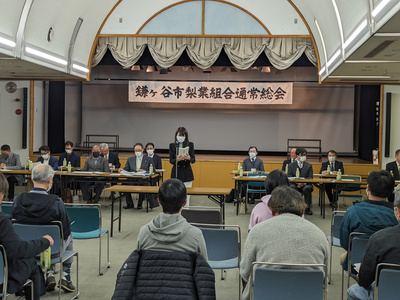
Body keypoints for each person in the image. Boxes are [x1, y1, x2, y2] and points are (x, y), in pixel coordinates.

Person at [240, 185, 329, 300]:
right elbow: (323, 279)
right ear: (302, 209)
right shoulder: (319, 235)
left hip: (266, 295)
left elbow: (244, 272)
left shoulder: (256, 232)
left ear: (272, 210)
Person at [12, 164, 75, 293]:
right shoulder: (56, 202)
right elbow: (65, 232)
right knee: (68, 234)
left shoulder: (18, 199)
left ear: (31, 177)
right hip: (53, 250)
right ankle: (65, 275)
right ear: (50, 180)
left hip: (25, 248)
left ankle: (50, 272)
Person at [0, 173, 54, 300]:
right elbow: (20, 250)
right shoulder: (2, 220)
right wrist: (44, 241)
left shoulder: (19, 200)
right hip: (3, 277)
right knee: (30, 261)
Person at [347, 187, 400, 300]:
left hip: (387, 293)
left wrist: (360, 277)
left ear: (397, 211)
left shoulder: (379, 239)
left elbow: (364, 281)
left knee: (353, 291)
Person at [339, 170, 397, 272]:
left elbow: (345, 243)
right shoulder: (396, 215)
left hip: (358, 262)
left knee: (343, 258)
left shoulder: (352, 211)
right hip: (390, 265)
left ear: (368, 188)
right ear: (391, 191)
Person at [136, 178, 208, 259]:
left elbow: (138, 267)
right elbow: (204, 269)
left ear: (159, 201)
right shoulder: (196, 236)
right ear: (184, 202)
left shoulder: (144, 233)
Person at [121, 143, 154, 209]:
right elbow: (126, 169)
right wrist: (122, 170)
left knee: (143, 185)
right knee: (125, 184)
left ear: (142, 150)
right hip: (132, 179)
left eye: (139, 150)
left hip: (143, 179)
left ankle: (140, 203)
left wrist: (145, 171)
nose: (137, 152)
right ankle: (129, 203)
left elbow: (153, 171)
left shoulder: (148, 159)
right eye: (136, 150)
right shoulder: (130, 159)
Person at [169, 127, 195, 205]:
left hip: (186, 173)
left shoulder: (190, 145)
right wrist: (177, 159)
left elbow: (193, 160)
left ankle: (186, 211)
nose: (181, 137)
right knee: (175, 195)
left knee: (186, 195)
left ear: (186, 136)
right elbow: (171, 161)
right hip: (176, 173)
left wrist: (189, 158)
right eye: (179, 135)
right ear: (176, 136)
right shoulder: (172, 146)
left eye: (183, 135)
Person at [287, 147, 314, 215]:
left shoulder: (309, 165)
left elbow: (310, 177)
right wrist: (297, 183)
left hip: (306, 184)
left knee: (307, 188)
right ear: (297, 156)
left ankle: (307, 208)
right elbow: (289, 177)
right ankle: (294, 207)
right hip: (294, 184)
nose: (303, 157)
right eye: (302, 155)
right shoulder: (291, 165)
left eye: (305, 155)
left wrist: (303, 183)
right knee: (292, 188)